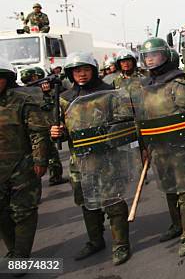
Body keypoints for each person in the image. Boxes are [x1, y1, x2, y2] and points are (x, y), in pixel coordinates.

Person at [49, 52, 131, 265]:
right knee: (87, 201)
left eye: (85, 70)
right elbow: (64, 129)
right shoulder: (65, 98)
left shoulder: (109, 93)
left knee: (113, 200)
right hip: (81, 160)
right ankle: (95, 240)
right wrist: (57, 133)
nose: (82, 74)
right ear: (70, 73)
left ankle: (120, 243)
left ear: (93, 70)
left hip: (108, 157)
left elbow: (124, 121)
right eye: (76, 71)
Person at [137, 38, 185, 257]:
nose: (150, 59)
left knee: (184, 190)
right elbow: (141, 117)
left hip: (178, 144)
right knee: (169, 188)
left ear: (165, 56)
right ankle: (177, 225)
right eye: (147, 56)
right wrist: (144, 146)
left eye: (154, 54)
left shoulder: (177, 81)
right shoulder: (144, 86)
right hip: (157, 145)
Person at [0, 58, 50, 268]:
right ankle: (13, 250)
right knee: (2, 212)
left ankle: (21, 256)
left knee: (23, 211)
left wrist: (40, 159)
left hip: (21, 166)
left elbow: (38, 133)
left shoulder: (22, 101)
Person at [20, 67, 68, 186]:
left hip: (36, 128)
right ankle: (55, 177)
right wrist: (46, 94)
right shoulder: (34, 93)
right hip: (43, 126)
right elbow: (47, 107)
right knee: (51, 153)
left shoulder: (23, 92)